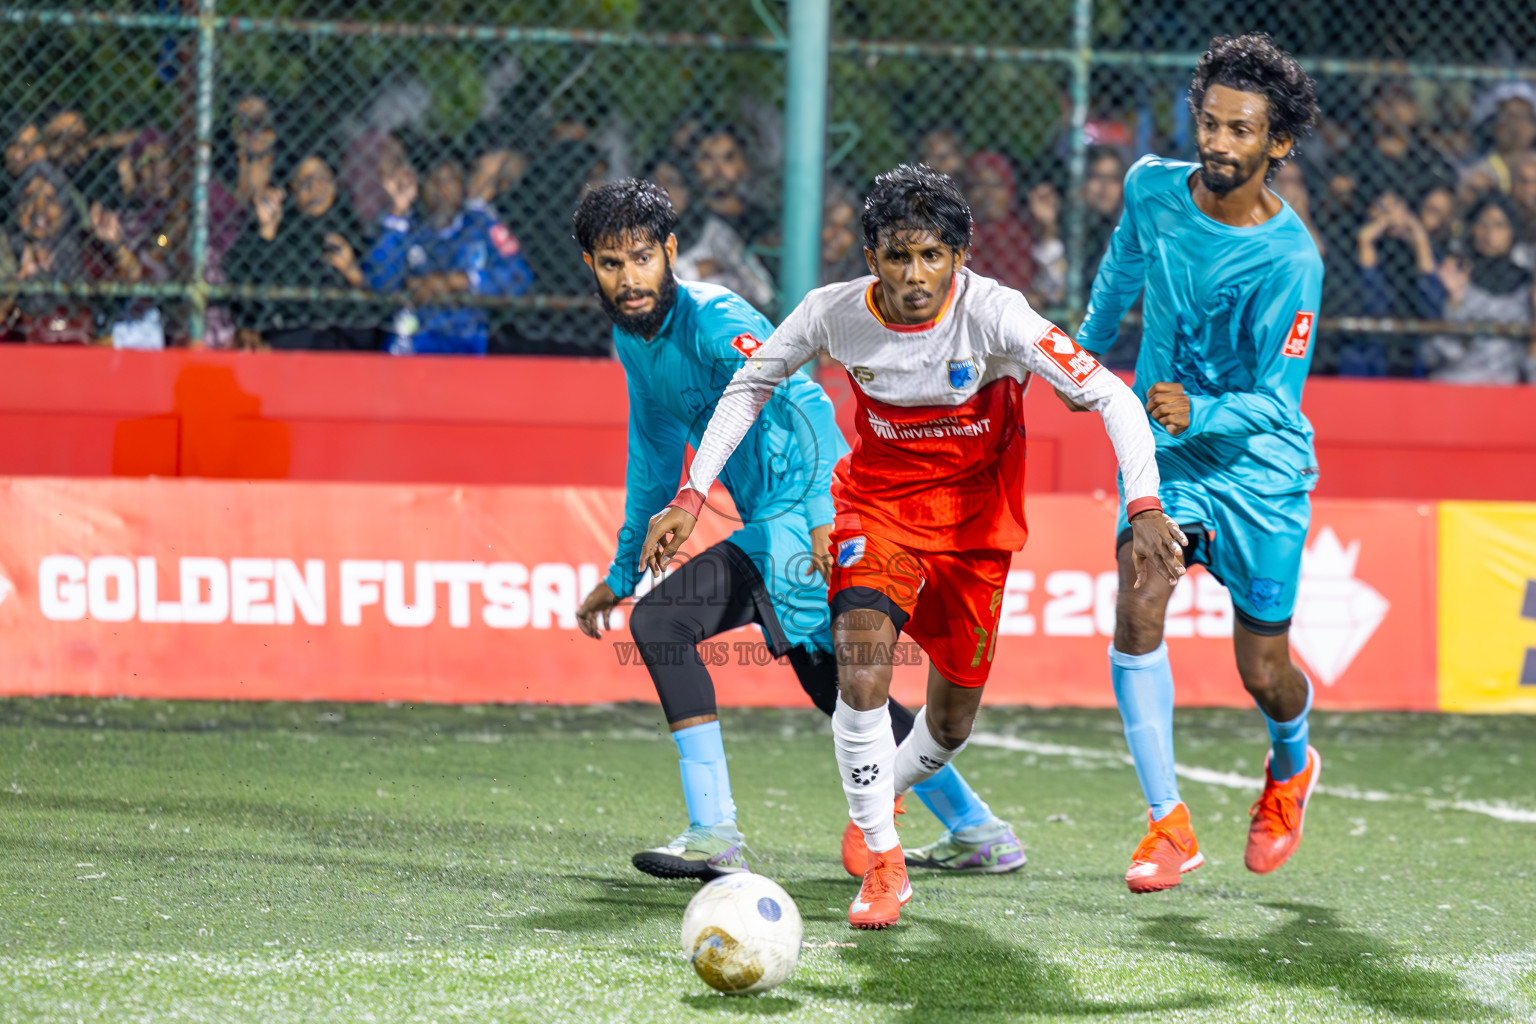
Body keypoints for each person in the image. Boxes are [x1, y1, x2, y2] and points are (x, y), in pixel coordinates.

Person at [639, 165, 1181, 928]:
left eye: (932, 256)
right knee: (860, 665)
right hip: (877, 512)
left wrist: (1146, 501)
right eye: (898, 256)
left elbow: (1115, 396)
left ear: (959, 259)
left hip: (974, 533)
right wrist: (692, 494)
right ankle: (884, 861)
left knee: (951, 722)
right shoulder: (832, 314)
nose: (915, 275)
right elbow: (750, 385)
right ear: (872, 258)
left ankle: (885, 793)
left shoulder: (998, 315)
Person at [570, 180, 1024, 884]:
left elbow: (807, 398)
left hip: (807, 518)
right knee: (835, 687)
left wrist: (821, 520)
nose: (629, 280)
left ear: (671, 252)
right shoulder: (634, 342)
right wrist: (624, 570)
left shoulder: (716, 317)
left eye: (641, 258)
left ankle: (714, 831)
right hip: (780, 524)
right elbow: (652, 451)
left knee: (664, 624)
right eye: (610, 263)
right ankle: (978, 829)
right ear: (590, 267)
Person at [1073, 34, 1325, 894]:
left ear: (1276, 144)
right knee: (1140, 603)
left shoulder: (1293, 261)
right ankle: (1168, 825)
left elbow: (1279, 399)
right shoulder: (1150, 186)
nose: (1218, 142)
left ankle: (1290, 763)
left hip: (1261, 471)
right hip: (1167, 454)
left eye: (1241, 130)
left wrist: (1204, 408)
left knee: (1263, 671)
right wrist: (1084, 357)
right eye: (1209, 123)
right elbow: (1120, 274)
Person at [366, 149, 534, 355]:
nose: (442, 189)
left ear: (463, 188)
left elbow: (519, 277)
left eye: (451, 180)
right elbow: (378, 280)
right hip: (413, 337)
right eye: (434, 180)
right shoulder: (403, 227)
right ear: (420, 186)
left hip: (467, 337)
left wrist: (461, 281)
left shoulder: (481, 226)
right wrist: (399, 211)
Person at [1423, 193, 1532, 385]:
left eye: (1499, 225)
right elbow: (1433, 354)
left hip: (1505, 386)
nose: (1490, 234)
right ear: (1473, 229)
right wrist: (1454, 303)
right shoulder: (1454, 273)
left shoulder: (1526, 284)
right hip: (1457, 382)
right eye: (1483, 224)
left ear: (1512, 231)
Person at [963, 151, 1035, 294]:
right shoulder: (960, 233)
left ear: (1009, 190)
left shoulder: (1022, 233)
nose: (989, 193)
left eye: (997, 185)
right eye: (980, 185)